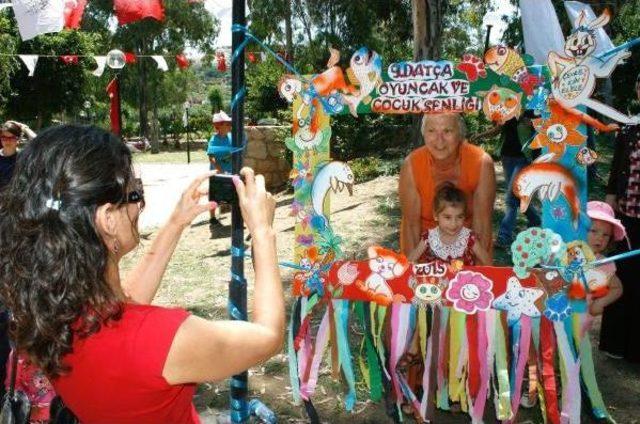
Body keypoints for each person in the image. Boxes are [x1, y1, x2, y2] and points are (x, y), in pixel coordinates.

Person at [0, 125, 283, 422]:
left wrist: (175, 223)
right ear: (107, 218)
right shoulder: (165, 338)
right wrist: (263, 232)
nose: (140, 207)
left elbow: (127, 308)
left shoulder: (51, 312)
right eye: (135, 193)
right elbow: (268, 336)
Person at [399, 113, 496, 258]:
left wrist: (478, 273)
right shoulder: (412, 165)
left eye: (447, 131)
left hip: (467, 253)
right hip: (424, 252)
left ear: (460, 134)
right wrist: (412, 274)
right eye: (431, 131)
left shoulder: (481, 162)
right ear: (424, 133)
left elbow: (482, 224)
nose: (439, 141)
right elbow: (411, 226)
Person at [602, 73, 640, 362]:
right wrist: (610, 205)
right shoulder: (629, 129)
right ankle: (615, 345)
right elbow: (617, 170)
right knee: (621, 275)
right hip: (628, 215)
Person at [471, 114, 540, 248]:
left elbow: (544, 129)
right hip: (507, 158)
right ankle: (535, 219)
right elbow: (497, 130)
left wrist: (532, 122)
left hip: (523, 159)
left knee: (510, 199)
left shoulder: (531, 109)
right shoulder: (508, 111)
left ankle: (504, 236)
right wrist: (480, 135)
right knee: (516, 196)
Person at [408, 182, 490, 265]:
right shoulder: (429, 237)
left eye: (459, 217)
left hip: (464, 278)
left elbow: (486, 260)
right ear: (436, 215)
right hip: (436, 278)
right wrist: (415, 267)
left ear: (464, 216)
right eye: (447, 217)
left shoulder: (468, 238)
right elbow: (411, 259)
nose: (453, 224)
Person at [584, 201, 624, 319]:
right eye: (594, 231)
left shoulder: (604, 264)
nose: (600, 238)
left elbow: (617, 288)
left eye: (606, 235)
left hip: (579, 322)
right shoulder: (564, 252)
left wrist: (600, 303)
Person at [206, 111, 233, 229]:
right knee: (214, 195)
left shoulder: (231, 137)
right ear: (219, 126)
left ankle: (236, 218)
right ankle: (212, 217)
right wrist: (219, 169)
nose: (229, 126)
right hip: (217, 173)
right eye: (226, 124)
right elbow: (211, 157)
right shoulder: (214, 139)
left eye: (229, 124)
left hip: (229, 171)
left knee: (232, 194)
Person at [0, 120, 36, 190]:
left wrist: (24, 128)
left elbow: (40, 143)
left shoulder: (24, 156)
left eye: (12, 138)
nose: (8, 141)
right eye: (4, 137)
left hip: (18, 198)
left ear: (18, 139)